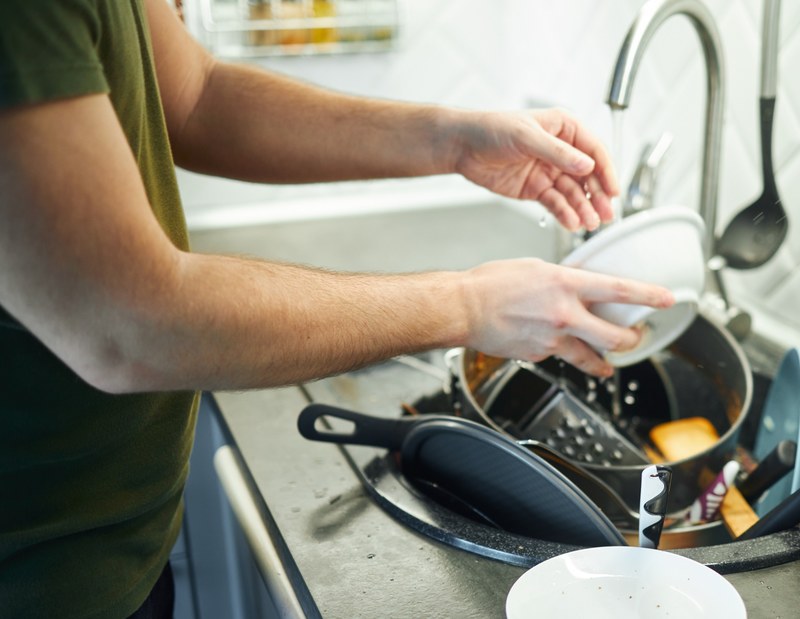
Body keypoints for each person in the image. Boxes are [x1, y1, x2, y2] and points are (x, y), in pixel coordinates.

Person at [0, 1, 675, 617]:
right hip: (43, 578)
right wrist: (468, 301)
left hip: (114, 546)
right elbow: (131, 323)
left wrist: (453, 141)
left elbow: (197, 96)